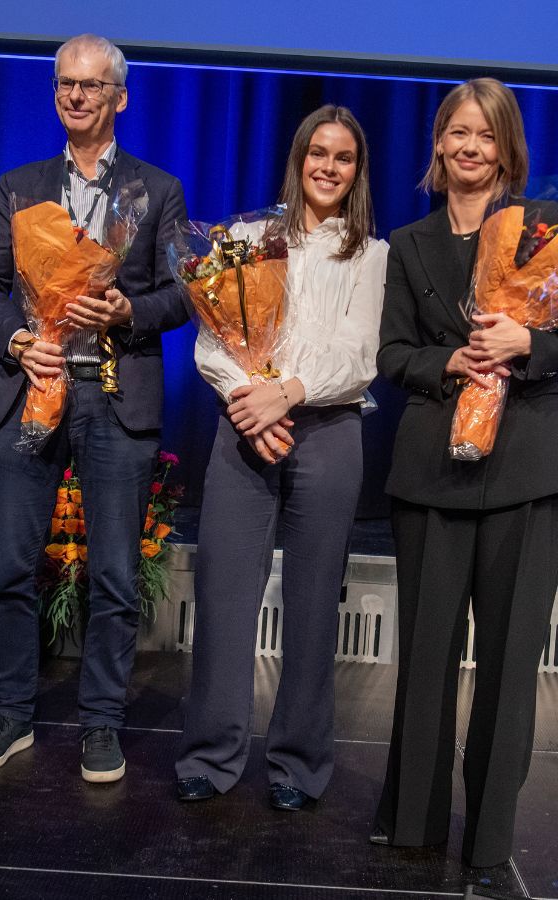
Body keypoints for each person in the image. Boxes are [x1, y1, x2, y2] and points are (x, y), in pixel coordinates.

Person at [0, 34, 188, 783]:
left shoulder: (157, 189)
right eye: (65, 83)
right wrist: (19, 339)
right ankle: (10, 714)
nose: (76, 96)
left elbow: (184, 293)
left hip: (116, 399)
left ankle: (101, 723)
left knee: (115, 574)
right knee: (9, 565)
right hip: (34, 386)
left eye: (91, 85)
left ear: (120, 97)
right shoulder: (19, 185)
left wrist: (129, 311)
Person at [174, 105, 387, 811]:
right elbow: (212, 340)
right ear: (298, 159)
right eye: (317, 152)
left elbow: (360, 357)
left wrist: (285, 395)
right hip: (243, 428)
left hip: (329, 433)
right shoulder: (245, 239)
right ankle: (211, 753)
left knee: (313, 604)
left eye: (344, 157)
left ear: (357, 171)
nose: (329, 166)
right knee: (224, 594)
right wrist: (250, 403)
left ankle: (298, 763)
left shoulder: (371, 255)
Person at [373, 78, 558, 878]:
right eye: (457, 132)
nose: (470, 147)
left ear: (506, 147)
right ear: (439, 144)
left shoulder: (545, 234)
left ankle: (488, 840)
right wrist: (449, 360)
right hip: (431, 475)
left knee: (511, 668)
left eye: (486, 134)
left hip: (526, 473)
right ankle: (413, 821)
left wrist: (528, 344)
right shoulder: (408, 242)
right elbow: (390, 355)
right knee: (425, 657)